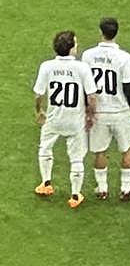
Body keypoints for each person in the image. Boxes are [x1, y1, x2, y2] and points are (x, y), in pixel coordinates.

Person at [33, 30, 98, 208]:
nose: (77, 46)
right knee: (76, 158)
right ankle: (75, 195)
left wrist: (39, 111)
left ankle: (46, 183)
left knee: (45, 149)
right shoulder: (82, 67)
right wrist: (90, 115)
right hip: (75, 121)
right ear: (70, 48)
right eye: (75, 43)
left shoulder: (46, 66)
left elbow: (38, 94)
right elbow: (92, 96)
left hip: (53, 118)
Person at [80, 17, 130, 201]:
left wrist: (87, 110)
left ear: (101, 32)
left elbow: (85, 86)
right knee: (127, 149)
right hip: (120, 111)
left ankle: (102, 189)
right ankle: (125, 188)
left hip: (98, 111)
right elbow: (129, 86)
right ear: (116, 32)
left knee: (99, 151)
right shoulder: (124, 57)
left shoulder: (88, 55)